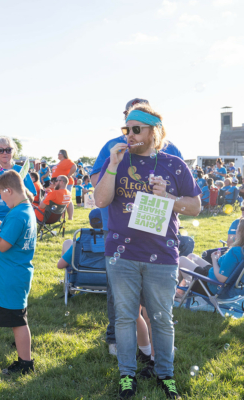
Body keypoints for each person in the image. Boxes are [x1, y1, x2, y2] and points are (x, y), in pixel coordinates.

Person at [94, 103, 201, 399]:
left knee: (162, 318)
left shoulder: (174, 164)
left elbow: (195, 206)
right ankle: (127, 375)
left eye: (136, 129)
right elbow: (100, 201)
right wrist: (113, 166)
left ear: (154, 132)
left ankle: (165, 373)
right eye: (126, 129)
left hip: (161, 254)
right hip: (122, 253)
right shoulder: (116, 160)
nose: (129, 134)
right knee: (125, 317)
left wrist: (168, 197)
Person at [0, 170, 37, 375]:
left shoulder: (18, 214)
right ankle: (24, 358)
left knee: (18, 322)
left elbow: (2, 245)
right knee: (17, 319)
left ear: (8, 190)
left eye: (1, 195)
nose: (1, 199)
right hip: (13, 275)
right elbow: (12, 235)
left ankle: (25, 363)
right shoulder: (23, 210)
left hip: (12, 277)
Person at [0, 137, 36, 294]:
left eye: (8, 149)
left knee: (13, 259)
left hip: (15, 222)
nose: (4, 153)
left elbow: (31, 197)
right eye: (0, 150)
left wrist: (21, 185)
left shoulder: (20, 171)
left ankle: (11, 293)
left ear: (13, 151)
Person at [178, 219, 244, 297]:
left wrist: (214, 259)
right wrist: (219, 260)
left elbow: (221, 278)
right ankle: (181, 291)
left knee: (181, 260)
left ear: (241, 233)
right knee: (192, 256)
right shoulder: (240, 251)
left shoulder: (235, 251)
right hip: (222, 284)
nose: (236, 230)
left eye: (237, 229)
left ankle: (177, 293)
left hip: (211, 285)